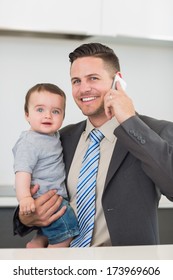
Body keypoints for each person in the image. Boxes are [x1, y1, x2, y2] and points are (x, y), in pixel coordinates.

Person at [13, 43, 173, 247]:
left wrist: (129, 121)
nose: (84, 88)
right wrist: (26, 217)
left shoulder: (154, 132)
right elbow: (35, 194)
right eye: (76, 81)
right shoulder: (59, 138)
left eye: (93, 78)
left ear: (117, 81)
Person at [12, 83, 79, 248]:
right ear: (27, 114)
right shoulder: (29, 141)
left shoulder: (53, 136)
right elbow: (22, 172)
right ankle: (50, 261)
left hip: (54, 195)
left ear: (63, 117)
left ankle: (37, 243)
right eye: (40, 110)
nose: (48, 116)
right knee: (66, 234)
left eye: (55, 111)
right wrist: (25, 198)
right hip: (46, 198)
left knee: (50, 229)